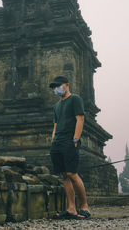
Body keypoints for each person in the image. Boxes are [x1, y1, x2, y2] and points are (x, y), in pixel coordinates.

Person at [49, 76, 91, 220]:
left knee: (72, 173)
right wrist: (53, 139)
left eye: (58, 86)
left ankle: (85, 207)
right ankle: (71, 208)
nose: (56, 89)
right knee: (64, 175)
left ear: (66, 85)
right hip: (57, 142)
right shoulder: (56, 106)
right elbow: (56, 124)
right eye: (54, 87)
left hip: (69, 140)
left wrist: (75, 139)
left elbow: (80, 118)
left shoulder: (75, 99)